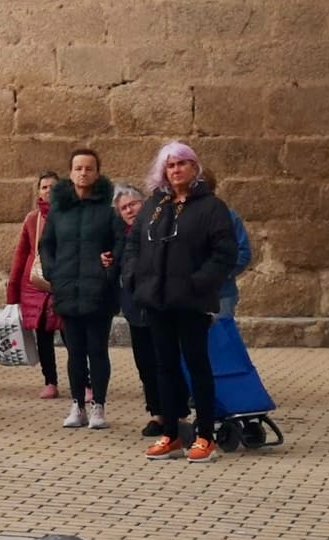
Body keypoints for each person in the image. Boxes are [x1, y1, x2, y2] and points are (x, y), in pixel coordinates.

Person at [125, 141, 237, 463]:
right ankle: (171, 434)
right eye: (170, 166)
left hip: (191, 301)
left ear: (194, 167)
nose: (176, 171)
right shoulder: (154, 205)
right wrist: (134, 278)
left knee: (198, 366)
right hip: (157, 300)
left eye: (182, 164)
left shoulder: (211, 207)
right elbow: (134, 244)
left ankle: (204, 435)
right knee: (165, 367)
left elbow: (224, 253)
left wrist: (196, 283)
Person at [40, 150, 125, 431]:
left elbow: (119, 244)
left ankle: (98, 404)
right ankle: (77, 405)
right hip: (67, 288)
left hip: (98, 291)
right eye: (78, 168)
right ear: (71, 172)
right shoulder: (59, 210)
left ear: (97, 172)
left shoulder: (108, 209)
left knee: (97, 350)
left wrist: (108, 270)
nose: (83, 173)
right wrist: (53, 272)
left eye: (89, 168)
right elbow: (47, 245)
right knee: (75, 351)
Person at [113, 182, 164, 437]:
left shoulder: (157, 228)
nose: (130, 210)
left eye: (133, 204)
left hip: (159, 306)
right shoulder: (120, 237)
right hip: (135, 310)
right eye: (124, 207)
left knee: (164, 361)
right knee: (145, 364)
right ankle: (156, 413)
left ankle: (174, 411)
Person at [6, 171, 62, 400]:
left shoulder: (69, 215)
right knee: (43, 336)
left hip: (64, 282)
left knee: (72, 335)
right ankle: (50, 381)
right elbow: (21, 253)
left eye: (53, 187)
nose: (48, 190)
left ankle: (85, 381)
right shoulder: (32, 219)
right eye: (44, 187)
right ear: (38, 191)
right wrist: (12, 291)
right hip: (36, 284)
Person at [203, 171, 253, 319]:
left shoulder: (229, 216)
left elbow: (243, 253)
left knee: (222, 339)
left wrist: (218, 274)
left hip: (222, 295)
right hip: (189, 296)